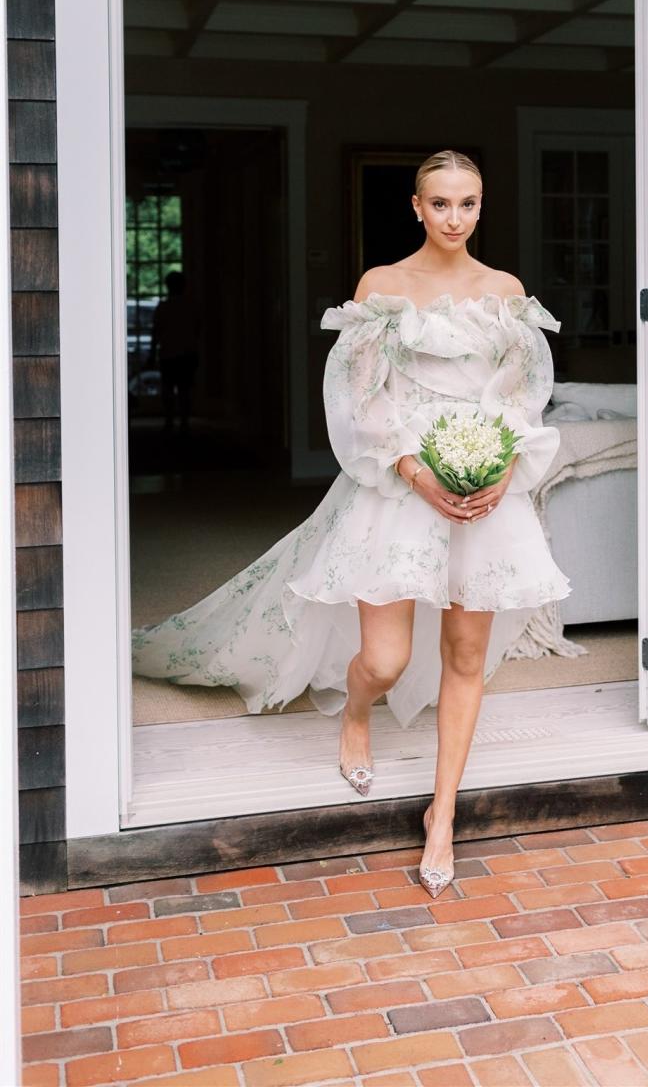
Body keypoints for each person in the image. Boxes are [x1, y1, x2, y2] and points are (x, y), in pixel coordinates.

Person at [132, 148, 572, 898]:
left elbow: (520, 395)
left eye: (468, 203)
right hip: (401, 486)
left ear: (481, 204)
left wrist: (499, 466)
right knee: (388, 657)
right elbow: (360, 398)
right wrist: (415, 468)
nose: (455, 218)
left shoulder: (505, 292)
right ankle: (357, 711)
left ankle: (443, 815)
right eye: (441, 204)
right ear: (415, 207)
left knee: (467, 658)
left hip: (482, 492)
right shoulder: (383, 288)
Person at [149, 270, 201, 437]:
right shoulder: (192, 306)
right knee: (184, 389)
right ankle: (183, 422)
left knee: (168, 389)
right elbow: (198, 329)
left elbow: (156, 332)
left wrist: (152, 353)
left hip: (169, 352)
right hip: (187, 352)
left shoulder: (163, 307)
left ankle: (170, 420)